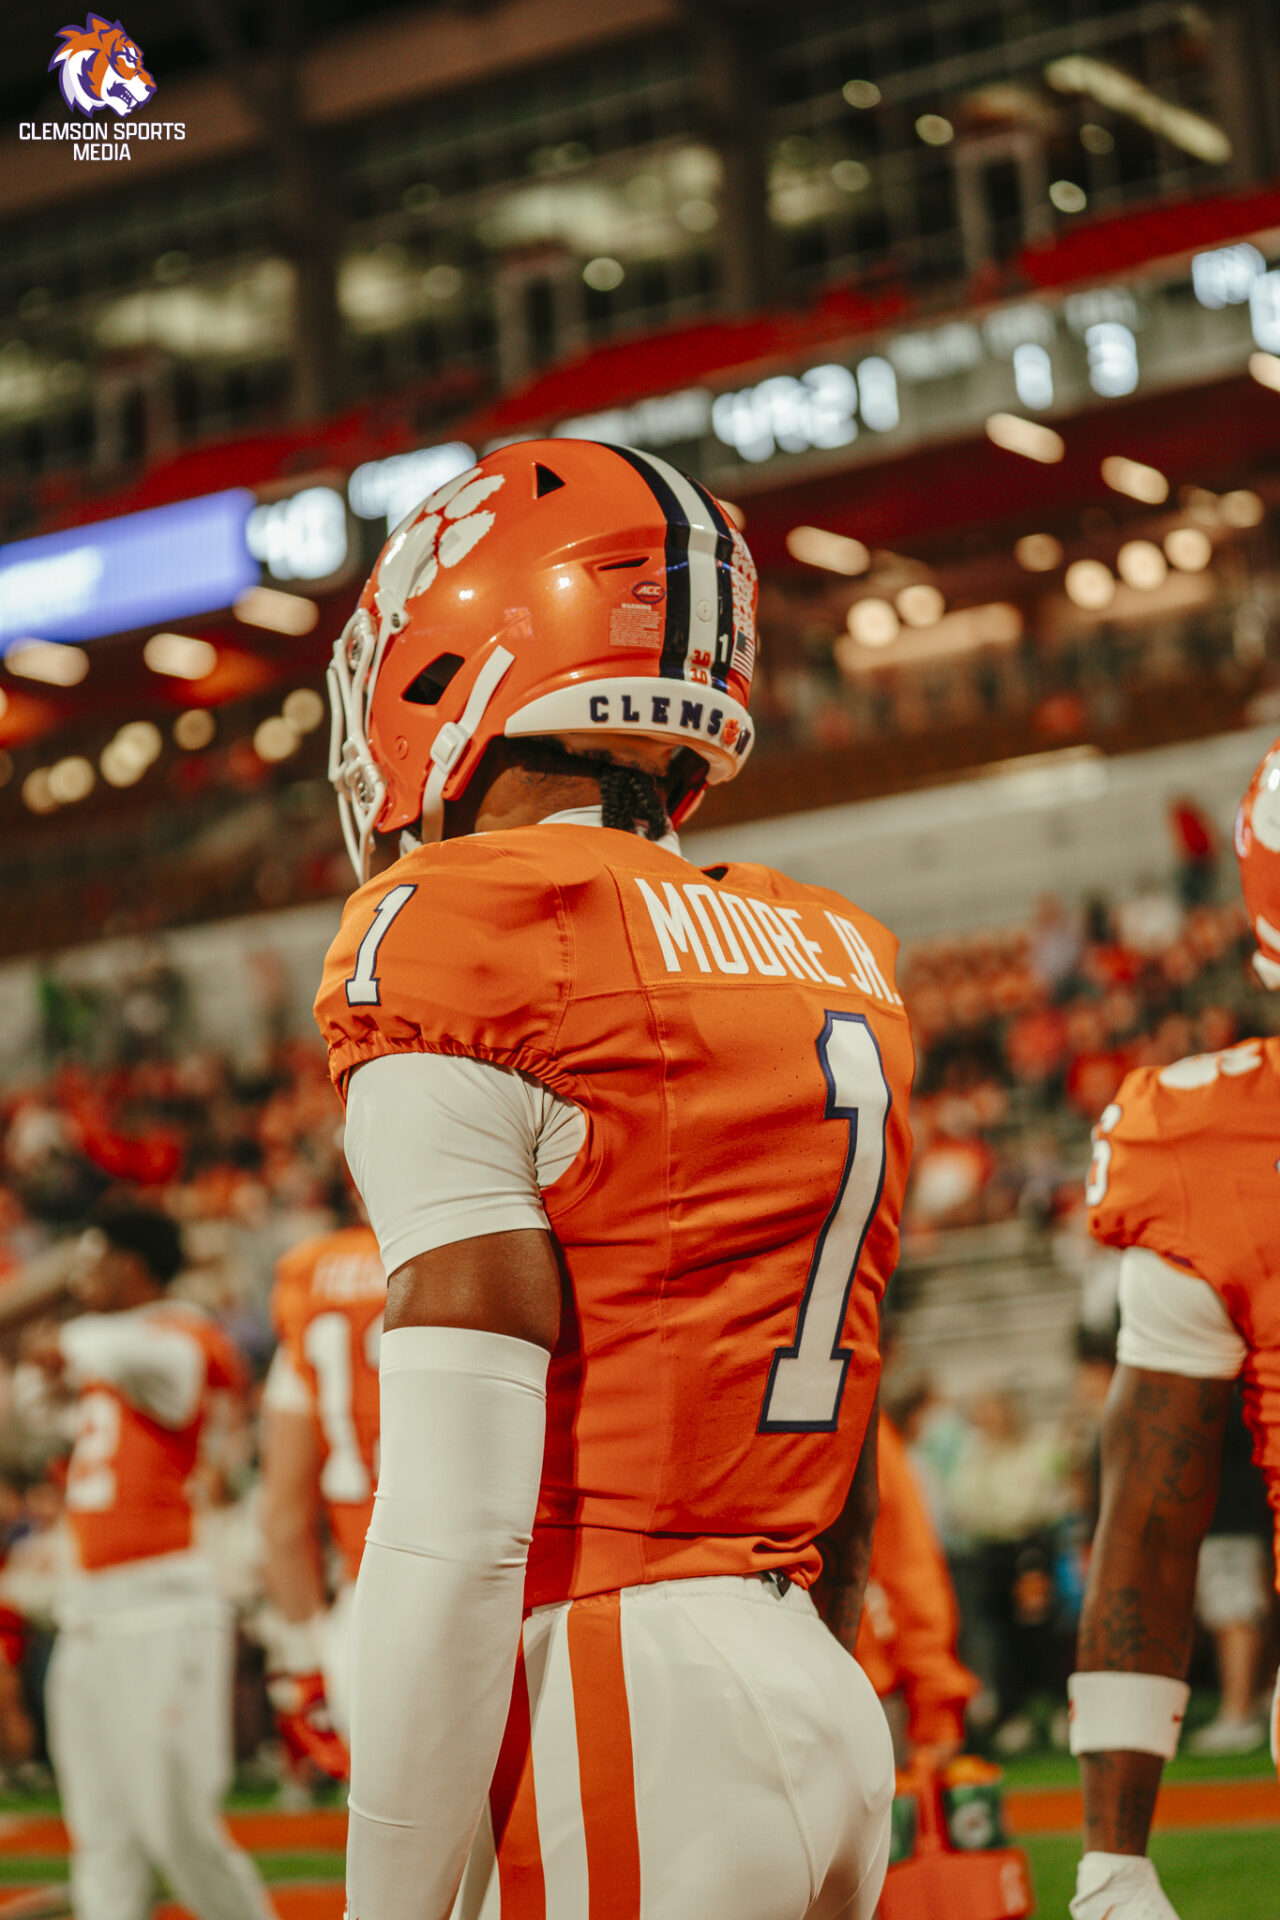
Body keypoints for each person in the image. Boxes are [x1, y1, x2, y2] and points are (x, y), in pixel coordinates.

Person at [314, 439, 915, 1920]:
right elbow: (848, 1442)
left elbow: (455, 1529)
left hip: (620, 1688)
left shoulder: (463, 924)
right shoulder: (828, 947)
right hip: (812, 1680)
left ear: (453, 663)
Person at [1069, 734, 1280, 1920]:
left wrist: (1114, 1857)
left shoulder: (1205, 1139)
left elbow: (1148, 1520)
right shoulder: (1207, 1145)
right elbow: (1146, 1520)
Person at [26, 1197, 274, 1920]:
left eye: (94, 1258)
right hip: (89, 1611)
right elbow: (39, 1397)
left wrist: (49, 1318)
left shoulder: (178, 1337)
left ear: (131, 1266)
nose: (82, 1274)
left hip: (165, 1607)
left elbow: (104, 1351)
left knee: (179, 1829)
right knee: (102, 1839)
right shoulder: (115, 1347)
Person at [259, 1221, 385, 1775]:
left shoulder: (309, 1280)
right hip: (508, 1586)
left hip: (367, 1604)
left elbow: (283, 1519)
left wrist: (305, 1664)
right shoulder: (476, 1241)